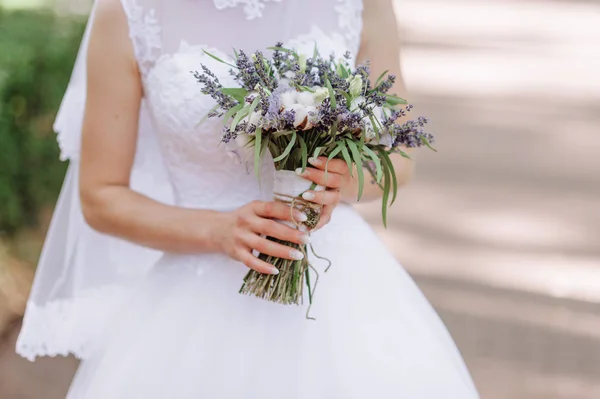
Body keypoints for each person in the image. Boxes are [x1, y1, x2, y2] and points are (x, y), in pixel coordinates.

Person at [17, 0, 480, 397]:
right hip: (192, 305)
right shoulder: (131, 11)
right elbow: (100, 197)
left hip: (339, 288)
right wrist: (217, 230)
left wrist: (343, 181)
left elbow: (399, 158)